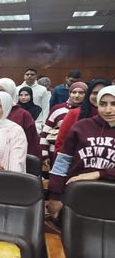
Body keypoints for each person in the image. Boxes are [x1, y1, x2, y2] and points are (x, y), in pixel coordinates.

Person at [47, 85, 115, 218]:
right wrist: (55, 196)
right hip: (77, 194)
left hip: (110, 198)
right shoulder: (81, 126)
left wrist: (98, 174)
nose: (108, 110)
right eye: (103, 104)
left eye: (114, 104)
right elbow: (62, 162)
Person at [0, 77, 42, 158]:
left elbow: (32, 142)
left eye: (2, 91)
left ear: (11, 92)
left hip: (13, 157)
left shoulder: (23, 115)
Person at [54, 79, 110, 155]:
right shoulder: (75, 114)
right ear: (89, 94)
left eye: (103, 93)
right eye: (94, 93)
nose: (98, 96)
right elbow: (61, 143)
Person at [40, 81, 87, 165]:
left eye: (81, 93)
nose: (76, 95)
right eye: (74, 92)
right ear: (69, 93)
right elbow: (45, 133)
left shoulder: (89, 112)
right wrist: (44, 156)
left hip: (81, 158)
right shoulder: (57, 109)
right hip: (55, 156)